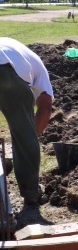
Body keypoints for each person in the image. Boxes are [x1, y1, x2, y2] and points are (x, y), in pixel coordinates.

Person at [0, 38, 53, 206]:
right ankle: (31, 192)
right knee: (24, 132)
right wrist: (30, 136)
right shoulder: (38, 68)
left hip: (6, 64)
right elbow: (45, 107)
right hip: (5, 71)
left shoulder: (14, 49)